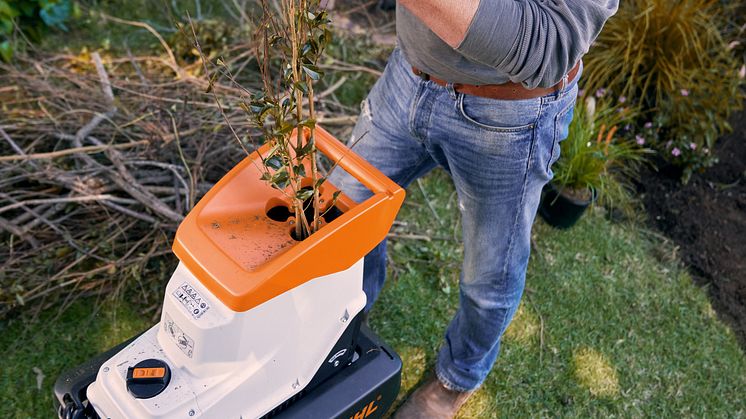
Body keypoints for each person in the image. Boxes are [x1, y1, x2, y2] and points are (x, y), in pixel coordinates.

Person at [328, 1, 618, 417]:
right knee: (341, 217)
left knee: (488, 277)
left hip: (507, 114)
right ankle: (344, 326)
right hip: (407, 75)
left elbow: (549, 47)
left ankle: (455, 380)